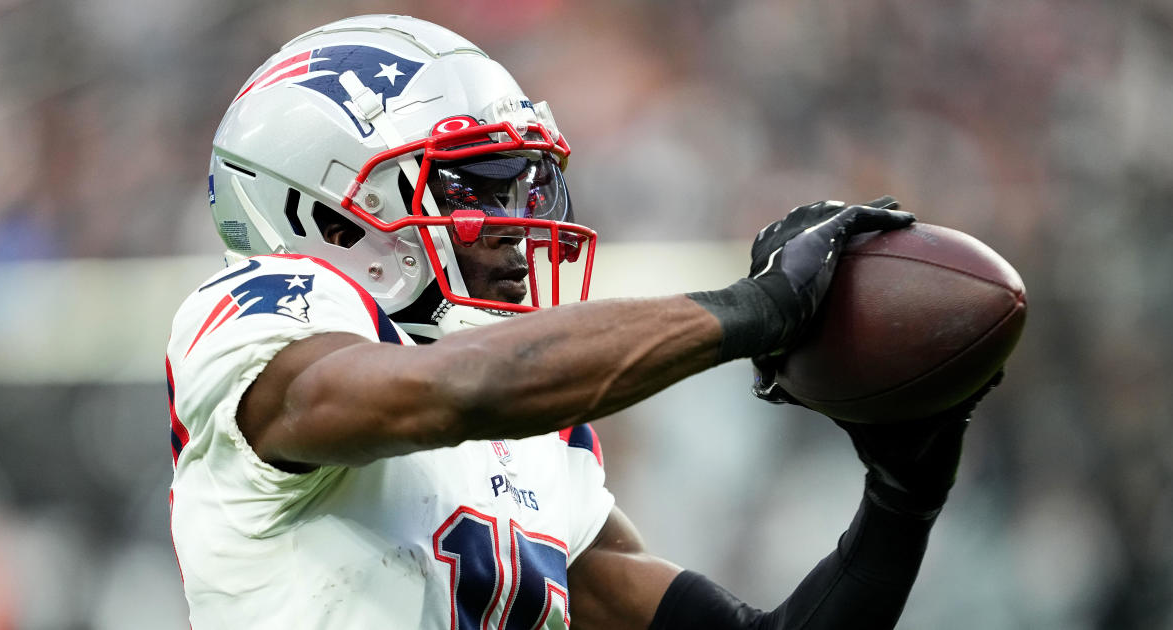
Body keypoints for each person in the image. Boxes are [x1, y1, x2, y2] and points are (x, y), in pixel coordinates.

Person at [166, 14, 996, 629]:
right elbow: (451, 394)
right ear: (331, 216)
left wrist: (902, 500)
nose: (518, 216)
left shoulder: (533, 439)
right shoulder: (250, 317)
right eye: (477, 185)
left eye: (526, 184)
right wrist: (758, 310)